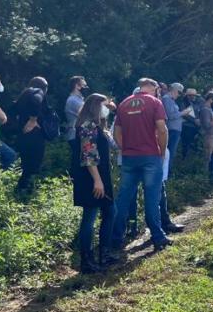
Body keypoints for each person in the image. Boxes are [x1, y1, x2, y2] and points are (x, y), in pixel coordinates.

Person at [111, 78, 172, 253]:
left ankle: (115, 238)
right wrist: (162, 151)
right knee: (152, 198)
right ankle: (158, 237)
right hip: (150, 156)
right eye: (157, 88)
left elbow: (116, 132)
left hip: (129, 157)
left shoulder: (124, 103)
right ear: (152, 87)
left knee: (123, 198)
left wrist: (125, 148)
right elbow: (162, 129)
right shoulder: (155, 102)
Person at [70, 93, 116, 273]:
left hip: (102, 176)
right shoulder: (87, 126)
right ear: (96, 106)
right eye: (104, 105)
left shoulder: (98, 126)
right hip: (91, 178)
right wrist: (97, 181)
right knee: (90, 216)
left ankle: (105, 253)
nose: (107, 109)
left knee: (110, 211)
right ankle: (86, 260)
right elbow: (88, 156)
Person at [14, 76, 50, 197]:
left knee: (26, 166)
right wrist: (33, 119)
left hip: (23, 135)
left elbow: (13, 111)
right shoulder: (37, 92)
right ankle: (26, 193)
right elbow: (36, 101)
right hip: (34, 136)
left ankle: (22, 192)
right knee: (33, 166)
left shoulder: (23, 95)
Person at [162, 83, 184, 172]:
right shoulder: (167, 99)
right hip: (172, 129)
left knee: (171, 152)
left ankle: (167, 172)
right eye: (179, 92)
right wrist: (183, 113)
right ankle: (166, 174)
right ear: (174, 90)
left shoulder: (171, 100)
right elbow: (170, 115)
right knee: (170, 152)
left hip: (175, 129)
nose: (179, 95)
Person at [64, 76, 88, 148]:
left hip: (79, 135)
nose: (86, 88)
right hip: (75, 136)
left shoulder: (79, 99)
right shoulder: (73, 100)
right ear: (77, 86)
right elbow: (86, 114)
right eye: (84, 85)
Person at [200, 92, 213, 176]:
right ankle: (203, 176)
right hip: (209, 136)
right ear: (210, 99)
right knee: (207, 157)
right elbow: (207, 125)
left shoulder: (209, 109)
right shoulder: (205, 110)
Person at [180, 88, 201, 159]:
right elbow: (184, 114)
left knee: (194, 144)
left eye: (195, 95)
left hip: (195, 127)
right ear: (188, 96)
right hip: (187, 126)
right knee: (186, 144)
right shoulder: (184, 103)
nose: (194, 97)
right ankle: (184, 159)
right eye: (192, 95)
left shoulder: (196, 103)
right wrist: (194, 120)